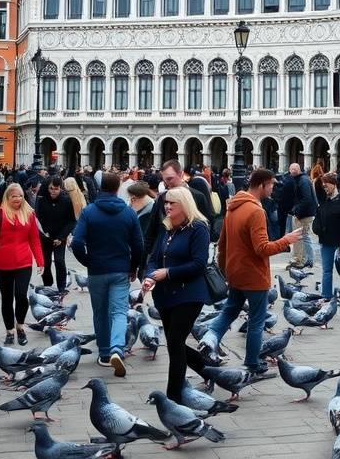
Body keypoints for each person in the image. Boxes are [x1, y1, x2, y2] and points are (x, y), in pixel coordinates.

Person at [201, 169, 302, 374]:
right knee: (256, 320)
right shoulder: (256, 211)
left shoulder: (233, 207)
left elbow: (222, 244)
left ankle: (208, 339)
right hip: (254, 276)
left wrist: (226, 270)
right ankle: (252, 363)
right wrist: (286, 240)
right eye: (271, 184)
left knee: (230, 310)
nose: (273, 188)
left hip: (236, 273)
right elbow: (262, 249)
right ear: (262, 185)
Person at [71, 172, 143, 376]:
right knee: (119, 312)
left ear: (99, 186)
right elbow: (138, 244)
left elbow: (76, 242)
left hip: (96, 270)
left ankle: (103, 354)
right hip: (120, 269)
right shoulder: (129, 213)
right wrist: (134, 267)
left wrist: (87, 261)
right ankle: (117, 348)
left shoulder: (89, 211)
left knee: (100, 312)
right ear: (117, 187)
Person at [143, 187, 210, 403]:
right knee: (175, 343)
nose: (167, 206)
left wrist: (168, 272)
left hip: (189, 294)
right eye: (166, 203)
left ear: (185, 204)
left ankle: (173, 397)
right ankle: (210, 369)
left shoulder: (198, 228)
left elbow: (199, 264)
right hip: (164, 295)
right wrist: (150, 275)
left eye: (172, 203)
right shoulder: (167, 228)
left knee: (174, 341)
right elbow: (153, 257)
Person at [0, 183, 44, 347]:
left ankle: (20, 326)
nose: (17, 199)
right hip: (2, 264)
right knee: (7, 298)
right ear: (7, 198)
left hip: (24, 263)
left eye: (20, 196)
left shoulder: (29, 214)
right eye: (14, 196)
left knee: (21, 296)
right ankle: (9, 331)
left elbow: (34, 239)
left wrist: (40, 261)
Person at [141, 161, 214, 260]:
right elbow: (151, 231)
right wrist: (143, 264)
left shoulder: (197, 197)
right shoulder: (161, 198)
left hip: (188, 257)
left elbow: (208, 224)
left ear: (181, 174)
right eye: (164, 180)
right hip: (163, 258)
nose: (167, 183)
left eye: (170, 179)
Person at [34, 176, 77, 294]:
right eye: (51, 188)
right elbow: (37, 218)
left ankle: (61, 287)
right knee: (46, 263)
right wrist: (43, 233)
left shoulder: (66, 200)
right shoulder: (42, 199)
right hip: (45, 236)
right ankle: (48, 285)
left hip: (60, 235)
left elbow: (71, 221)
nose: (53, 191)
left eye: (56, 189)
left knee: (59, 261)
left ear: (60, 189)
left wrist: (62, 237)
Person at [314, 173, 340, 301]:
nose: (324, 187)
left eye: (327, 184)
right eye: (323, 184)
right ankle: (326, 296)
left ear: (334, 184)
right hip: (326, 240)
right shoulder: (323, 199)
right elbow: (317, 186)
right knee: (327, 270)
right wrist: (321, 176)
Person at [284, 163, 317, 269]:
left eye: (293, 169)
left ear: (298, 170)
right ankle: (305, 259)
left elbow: (306, 199)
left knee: (301, 236)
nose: (291, 171)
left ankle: (301, 260)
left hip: (304, 214)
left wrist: (297, 211)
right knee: (303, 236)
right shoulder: (302, 179)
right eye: (290, 169)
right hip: (305, 212)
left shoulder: (302, 181)